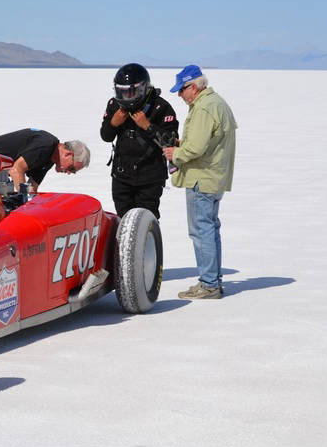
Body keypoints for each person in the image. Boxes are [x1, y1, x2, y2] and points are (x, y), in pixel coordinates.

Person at [163, 65, 237, 300]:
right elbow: (206, 141)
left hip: (202, 179)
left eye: (181, 90)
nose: (179, 95)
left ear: (193, 87)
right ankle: (212, 280)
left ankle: (209, 285)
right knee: (210, 229)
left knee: (201, 231)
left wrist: (175, 153)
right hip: (214, 177)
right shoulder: (217, 103)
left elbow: (195, 147)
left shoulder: (204, 108)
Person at [100, 63, 179, 219]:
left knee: (146, 220)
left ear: (142, 88)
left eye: (130, 92)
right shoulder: (114, 105)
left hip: (150, 177)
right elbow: (105, 136)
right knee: (124, 221)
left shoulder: (161, 107)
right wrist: (113, 123)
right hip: (122, 175)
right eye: (121, 92)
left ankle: (149, 244)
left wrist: (148, 126)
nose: (126, 96)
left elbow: (170, 143)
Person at [0, 128, 90, 192]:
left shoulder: (49, 158)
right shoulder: (46, 145)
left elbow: (32, 186)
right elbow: (16, 170)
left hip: (0, 167)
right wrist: (25, 201)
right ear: (68, 154)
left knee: (7, 194)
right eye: (71, 168)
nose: (68, 172)